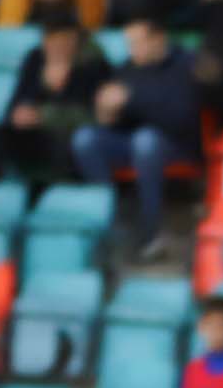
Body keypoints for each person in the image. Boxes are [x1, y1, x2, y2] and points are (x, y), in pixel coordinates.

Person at [72, 16, 201, 258]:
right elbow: (116, 120)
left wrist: (132, 101)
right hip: (131, 142)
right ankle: (109, 220)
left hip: (176, 144)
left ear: (159, 39)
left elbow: (181, 117)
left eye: (138, 42)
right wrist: (106, 111)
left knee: (146, 140)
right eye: (129, 43)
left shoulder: (184, 65)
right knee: (85, 138)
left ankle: (150, 231)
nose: (133, 50)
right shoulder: (126, 68)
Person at [0, 13, 103, 187]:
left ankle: (58, 199)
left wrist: (45, 114)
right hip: (35, 134)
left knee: (66, 144)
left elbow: (91, 116)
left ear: (75, 40)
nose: (57, 48)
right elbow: (15, 103)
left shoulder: (92, 63)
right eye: (51, 42)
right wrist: (19, 113)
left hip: (66, 137)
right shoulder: (35, 58)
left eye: (63, 42)